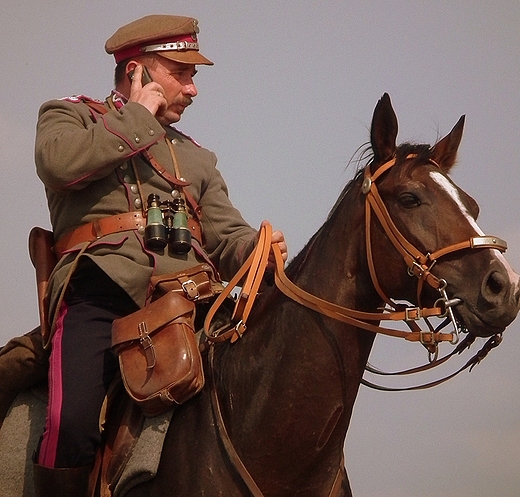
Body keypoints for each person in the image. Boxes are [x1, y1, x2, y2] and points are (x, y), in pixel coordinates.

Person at [17, 14, 287, 496]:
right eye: (180, 73)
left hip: (190, 299)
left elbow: (226, 236)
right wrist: (137, 118)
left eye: (193, 76)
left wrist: (259, 249)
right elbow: (57, 165)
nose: (192, 88)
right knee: (70, 417)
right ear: (136, 71)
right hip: (100, 295)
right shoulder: (69, 116)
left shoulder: (197, 158)